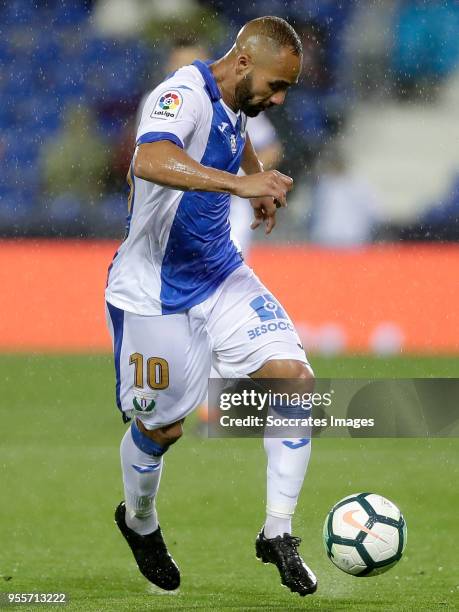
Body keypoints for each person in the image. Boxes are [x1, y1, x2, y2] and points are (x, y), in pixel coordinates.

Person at [105, 16, 317, 598]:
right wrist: (237, 187)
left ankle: (278, 532)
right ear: (243, 62)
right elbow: (148, 160)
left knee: (296, 382)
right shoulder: (180, 95)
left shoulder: (231, 101)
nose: (278, 99)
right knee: (162, 428)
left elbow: (235, 129)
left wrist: (256, 176)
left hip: (221, 274)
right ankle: (139, 521)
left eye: (287, 92)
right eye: (276, 86)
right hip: (155, 290)